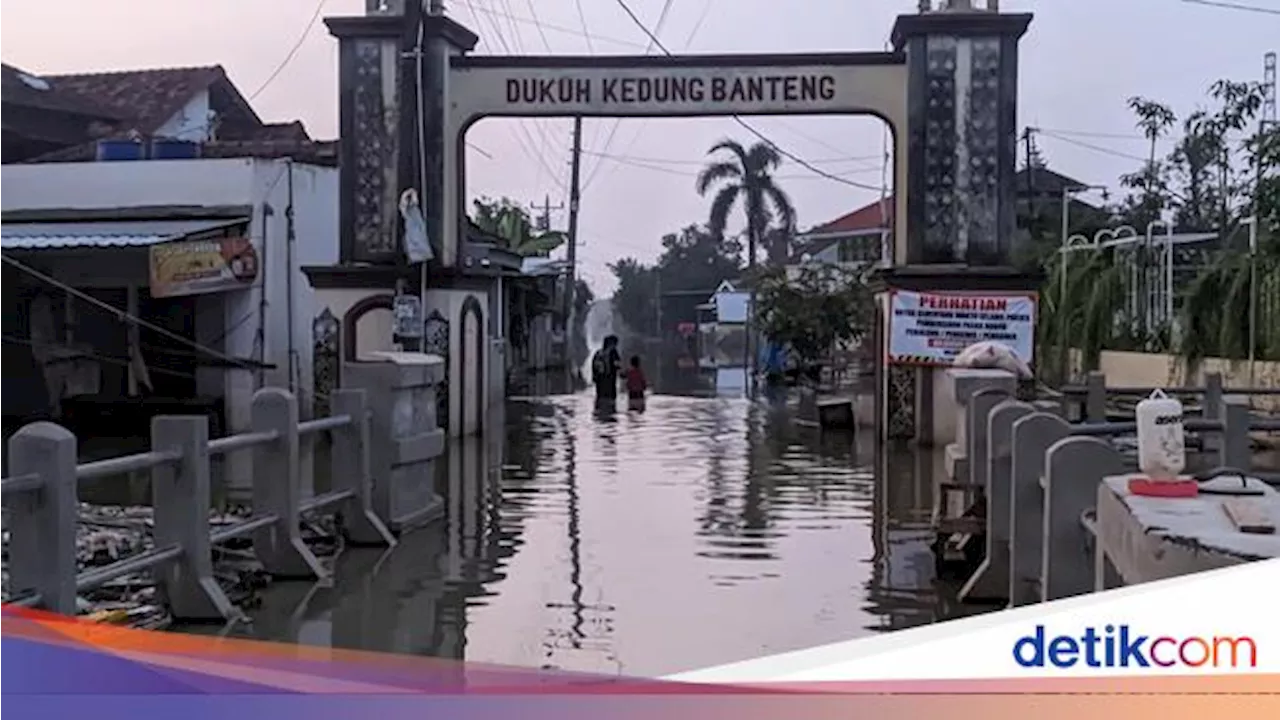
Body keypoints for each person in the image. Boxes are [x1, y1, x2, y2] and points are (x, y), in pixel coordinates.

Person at [591, 335, 623, 401]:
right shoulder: (613, 352)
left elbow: (594, 366)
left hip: (600, 381)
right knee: (610, 398)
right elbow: (617, 364)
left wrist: (594, 376)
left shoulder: (598, 353)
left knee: (601, 398)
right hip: (610, 380)